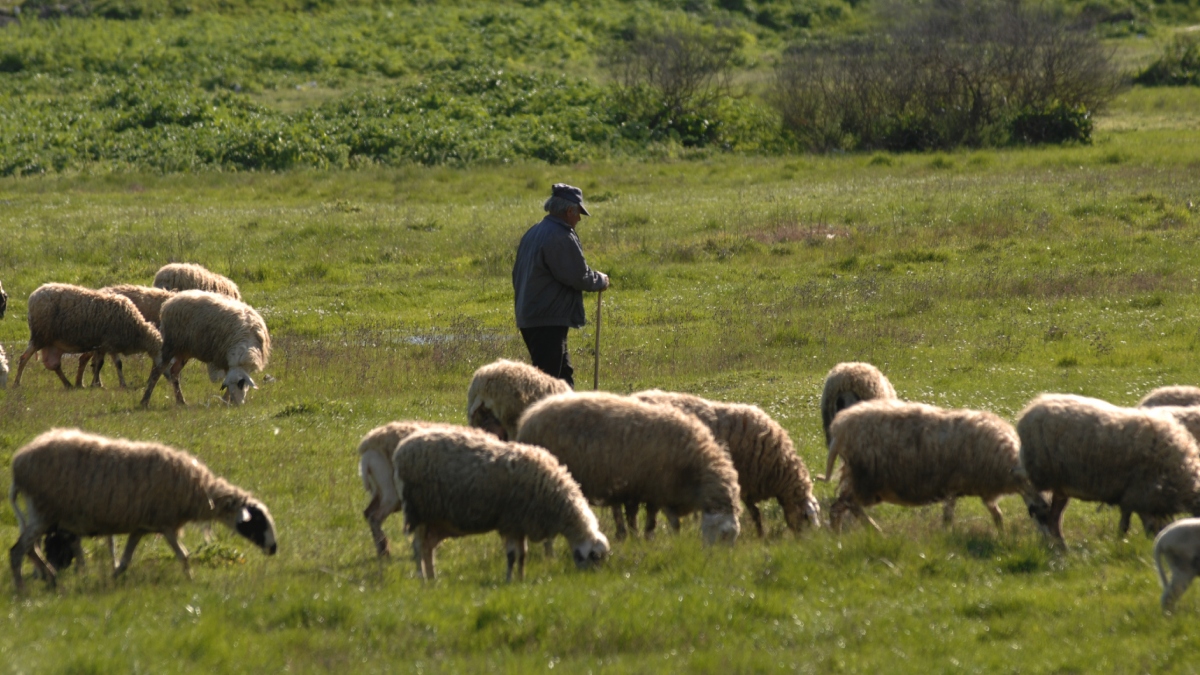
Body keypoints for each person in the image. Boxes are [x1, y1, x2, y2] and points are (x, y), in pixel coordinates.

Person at [512, 183, 610, 388]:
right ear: (569, 211)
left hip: (532, 316)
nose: (579, 219)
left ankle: (568, 418)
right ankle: (539, 418)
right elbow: (577, 276)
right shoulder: (559, 236)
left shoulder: (535, 232)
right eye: (579, 213)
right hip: (547, 319)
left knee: (563, 377)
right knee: (547, 383)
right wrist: (600, 280)